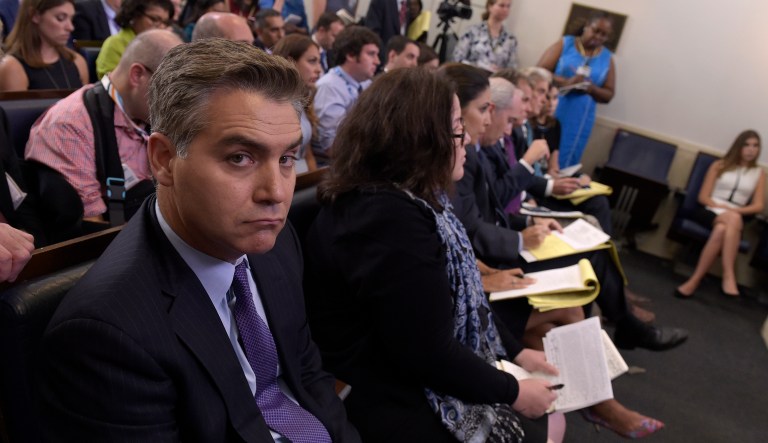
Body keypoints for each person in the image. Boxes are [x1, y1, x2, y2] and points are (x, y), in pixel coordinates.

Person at [38, 37, 360, 442]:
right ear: (163, 160)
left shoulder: (276, 241)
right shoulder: (105, 336)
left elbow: (307, 371)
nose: (276, 193)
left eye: (285, 159)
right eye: (240, 158)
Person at [304, 67, 558, 443]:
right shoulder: (388, 217)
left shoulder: (416, 197)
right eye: (457, 129)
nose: (468, 140)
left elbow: (468, 296)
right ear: (421, 139)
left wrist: (519, 353)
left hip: (400, 368)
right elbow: (428, 352)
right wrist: (513, 391)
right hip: (378, 390)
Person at [26, 30, 182, 223]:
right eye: (169, 90)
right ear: (137, 75)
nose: (175, 102)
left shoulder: (148, 115)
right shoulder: (69, 125)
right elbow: (91, 231)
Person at [676, 130, 765, 298]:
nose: (751, 150)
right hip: (710, 210)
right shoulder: (719, 165)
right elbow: (703, 196)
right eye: (746, 145)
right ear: (738, 146)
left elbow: (758, 206)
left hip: (736, 213)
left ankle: (693, 281)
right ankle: (729, 274)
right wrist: (720, 207)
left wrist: (735, 210)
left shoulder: (758, 173)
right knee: (732, 219)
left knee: (722, 230)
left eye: (755, 146)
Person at [537, 11, 616, 170]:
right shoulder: (565, 44)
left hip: (580, 116)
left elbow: (609, 94)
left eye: (604, 35)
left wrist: (591, 88)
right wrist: (567, 81)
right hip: (554, 106)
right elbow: (539, 71)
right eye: (596, 31)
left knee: (567, 154)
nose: (598, 37)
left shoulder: (607, 57)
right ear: (587, 26)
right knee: (545, 147)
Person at [312, 25, 380, 163]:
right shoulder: (329, 87)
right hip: (331, 165)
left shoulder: (366, 84)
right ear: (350, 55)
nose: (377, 61)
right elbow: (332, 147)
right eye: (371, 54)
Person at [0, 0, 88, 91]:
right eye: (60, 18)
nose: (70, 27)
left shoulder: (78, 61)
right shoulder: (12, 67)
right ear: (34, 15)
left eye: (71, 19)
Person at [273, 34, 321, 172]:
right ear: (290, 62)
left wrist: (314, 182)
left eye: (319, 61)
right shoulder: (274, 102)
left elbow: (308, 154)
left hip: (304, 179)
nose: (319, 69)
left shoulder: (302, 97)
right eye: (312, 61)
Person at [95, 0, 173, 78]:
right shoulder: (114, 44)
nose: (162, 27)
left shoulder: (162, 47)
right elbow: (111, 84)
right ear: (135, 14)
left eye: (165, 23)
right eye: (154, 19)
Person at [452, 0, 517, 72]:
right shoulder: (472, 31)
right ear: (490, 7)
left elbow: (512, 69)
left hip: (496, 80)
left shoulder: (510, 39)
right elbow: (457, 59)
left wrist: (501, 71)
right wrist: (480, 66)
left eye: (508, 6)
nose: (505, 9)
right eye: (501, 5)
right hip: (470, 77)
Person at [533, 84, 562, 175]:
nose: (551, 104)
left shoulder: (556, 125)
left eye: (555, 98)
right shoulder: (526, 123)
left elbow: (553, 165)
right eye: (547, 98)